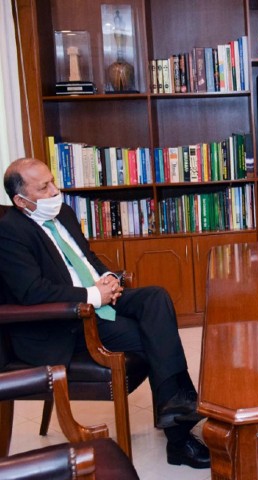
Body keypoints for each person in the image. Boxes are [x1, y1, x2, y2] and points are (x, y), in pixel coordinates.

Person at [0, 158, 210, 469]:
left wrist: (108, 278)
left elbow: (85, 259)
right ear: (21, 200)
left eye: (53, 181)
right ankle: (179, 437)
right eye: (44, 188)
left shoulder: (63, 213)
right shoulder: (10, 233)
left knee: (155, 298)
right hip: (66, 321)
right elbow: (33, 291)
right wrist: (92, 295)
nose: (56, 191)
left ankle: (177, 403)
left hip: (97, 298)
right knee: (152, 336)